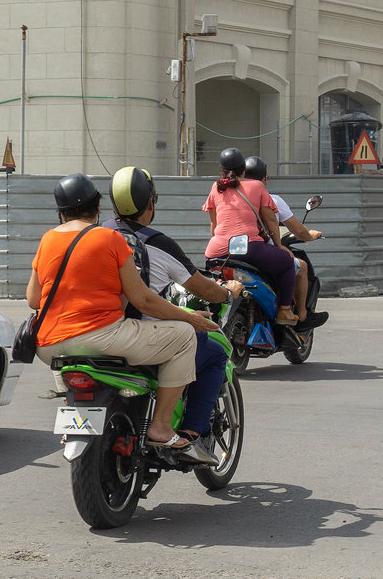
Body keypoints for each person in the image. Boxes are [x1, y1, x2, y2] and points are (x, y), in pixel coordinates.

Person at [28, 173, 219, 454]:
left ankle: (73, 412)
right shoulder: (110, 239)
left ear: (60, 212)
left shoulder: (47, 240)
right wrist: (190, 318)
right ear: (97, 208)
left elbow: (33, 299)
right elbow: (143, 300)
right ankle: (162, 427)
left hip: (48, 345)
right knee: (185, 336)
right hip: (102, 337)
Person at [104, 165, 243, 461]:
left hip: (95, 333)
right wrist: (228, 291)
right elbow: (203, 289)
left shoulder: (99, 235)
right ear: (151, 203)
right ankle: (192, 434)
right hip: (143, 339)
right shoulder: (158, 244)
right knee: (214, 354)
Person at [203, 147, 299, 325]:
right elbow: (270, 220)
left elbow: (214, 223)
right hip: (248, 248)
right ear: (243, 169)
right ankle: (285, 311)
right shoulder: (256, 186)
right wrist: (279, 246)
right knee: (286, 262)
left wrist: (219, 243)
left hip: (215, 252)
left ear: (222, 170)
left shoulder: (216, 187)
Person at [243, 155, 329, 330]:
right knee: (296, 265)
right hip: (258, 251)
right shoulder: (270, 199)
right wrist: (307, 236)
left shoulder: (230, 196)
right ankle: (299, 314)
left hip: (228, 250)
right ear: (265, 177)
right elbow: (293, 229)